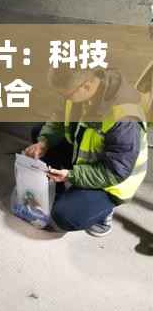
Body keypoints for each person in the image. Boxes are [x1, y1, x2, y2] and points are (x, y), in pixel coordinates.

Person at [25, 66, 148, 237]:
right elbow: (59, 116)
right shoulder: (82, 91)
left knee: (65, 216)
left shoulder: (123, 118)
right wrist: (44, 142)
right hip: (87, 155)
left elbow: (116, 171)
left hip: (112, 181)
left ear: (87, 86)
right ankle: (58, 190)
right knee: (39, 133)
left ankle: (103, 213)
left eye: (67, 95)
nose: (65, 99)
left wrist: (72, 175)